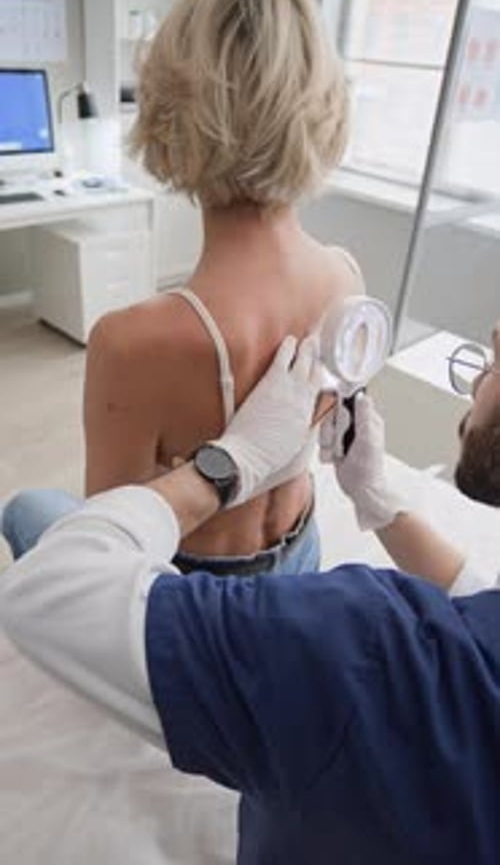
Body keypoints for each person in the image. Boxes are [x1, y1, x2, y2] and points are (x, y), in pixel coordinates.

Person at [2, 329, 500, 864]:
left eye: (496, 360)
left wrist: (228, 464)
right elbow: (480, 599)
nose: (477, 378)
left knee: (30, 510)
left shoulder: (371, 645)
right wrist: (379, 502)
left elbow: (51, 589)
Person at [1, 0, 362, 572]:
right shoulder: (345, 277)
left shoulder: (133, 341)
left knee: (23, 509)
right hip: (302, 550)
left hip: (201, 595)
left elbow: (109, 558)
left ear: (170, 110)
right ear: (325, 108)